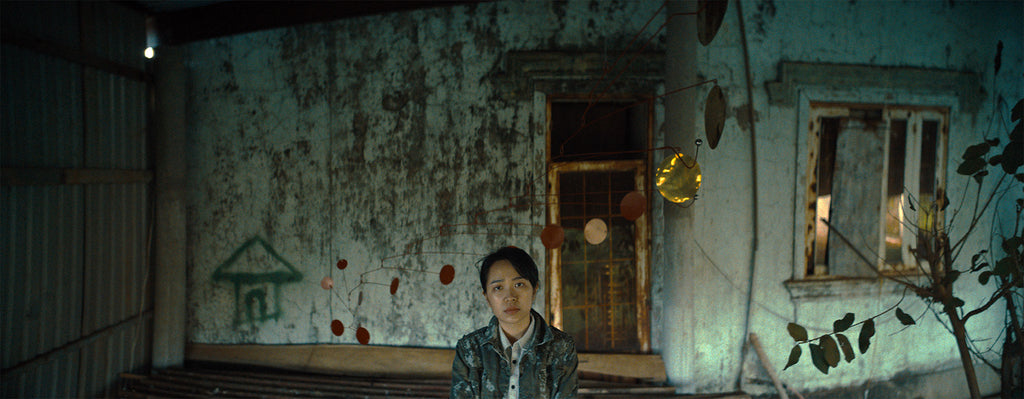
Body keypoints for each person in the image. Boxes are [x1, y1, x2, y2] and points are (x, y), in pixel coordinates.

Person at [450, 246, 579, 399]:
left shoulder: (561, 347)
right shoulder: (469, 349)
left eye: (519, 284)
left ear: (535, 288)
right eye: (498, 288)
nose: (510, 296)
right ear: (487, 296)